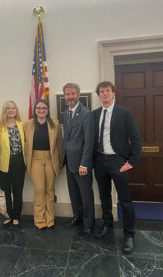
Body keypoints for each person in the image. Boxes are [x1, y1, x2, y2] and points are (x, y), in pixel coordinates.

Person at [93, 81, 142, 254]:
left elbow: (136, 138)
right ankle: (107, 225)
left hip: (118, 161)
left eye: (107, 91)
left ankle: (129, 234)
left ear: (113, 93)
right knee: (104, 197)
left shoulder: (124, 113)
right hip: (100, 161)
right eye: (101, 91)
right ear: (98, 95)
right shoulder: (95, 114)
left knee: (125, 199)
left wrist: (132, 161)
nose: (104, 94)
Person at [62, 83, 95, 238]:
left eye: (73, 94)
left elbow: (89, 142)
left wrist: (84, 164)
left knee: (86, 195)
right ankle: (78, 217)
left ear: (79, 94)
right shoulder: (65, 113)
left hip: (81, 164)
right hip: (69, 162)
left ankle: (88, 225)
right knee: (73, 193)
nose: (70, 97)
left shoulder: (86, 114)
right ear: (65, 96)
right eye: (67, 94)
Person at [23, 99, 62, 230]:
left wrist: (60, 163)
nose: (41, 110)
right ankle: (39, 220)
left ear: (48, 110)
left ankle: (50, 219)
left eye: (44, 108)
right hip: (35, 159)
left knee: (50, 190)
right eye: (39, 108)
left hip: (51, 159)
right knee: (39, 190)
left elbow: (59, 145)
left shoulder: (55, 124)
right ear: (35, 110)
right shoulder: (27, 124)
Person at [0, 101, 26, 227]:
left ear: (16, 110)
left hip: (19, 162)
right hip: (3, 164)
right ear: (4, 111)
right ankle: (9, 216)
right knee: (6, 191)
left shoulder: (22, 125)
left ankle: (16, 216)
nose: (11, 110)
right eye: (8, 108)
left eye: (13, 108)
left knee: (18, 191)